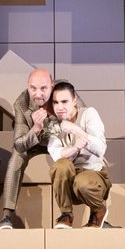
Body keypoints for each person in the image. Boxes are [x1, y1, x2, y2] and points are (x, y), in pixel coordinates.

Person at [0, 68, 85, 229]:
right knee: (16, 157)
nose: (38, 94)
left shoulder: (64, 90)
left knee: (85, 158)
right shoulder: (21, 103)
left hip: (61, 139)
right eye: (33, 88)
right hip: (35, 142)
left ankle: (91, 212)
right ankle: (7, 215)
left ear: (52, 85)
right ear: (27, 86)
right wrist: (36, 128)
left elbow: (84, 118)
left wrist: (87, 142)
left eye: (43, 88)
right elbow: (19, 144)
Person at [47, 81, 110, 228]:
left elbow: (101, 148)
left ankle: (98, 210)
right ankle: (66, 214)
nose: (59, 107)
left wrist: (75, 129)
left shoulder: (89, 114)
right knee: (60, 165)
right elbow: (56, 154)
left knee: (82, 182)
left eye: (64, 101)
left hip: (93, 177)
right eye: (55, 102)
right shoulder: (54, 125)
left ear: (74, 100)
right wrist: (75, 148)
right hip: (70, 181)